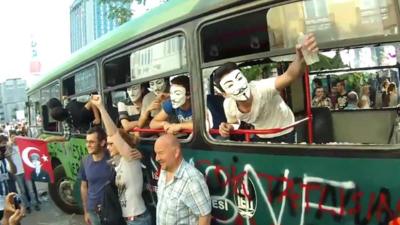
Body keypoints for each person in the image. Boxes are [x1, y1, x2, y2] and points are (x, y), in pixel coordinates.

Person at [213, 33, 318, 143]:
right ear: (225, 94)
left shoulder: (262, 88)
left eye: (239, 78)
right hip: (261, 134)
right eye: (230, 85)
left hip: (285, 129)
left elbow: (289, 75)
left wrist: (300, 57)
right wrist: (227, 127)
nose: (239, 86)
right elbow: (233, 122)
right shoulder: (229, 105)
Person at [91, 95, 152, 225]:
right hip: (128, 220)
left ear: (122, 144)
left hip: (137, 220)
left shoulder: (130, 159)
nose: (108, 147)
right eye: (107, 144)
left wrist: (101, 107)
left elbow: (113, 133)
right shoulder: (118, 163)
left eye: (111, 144)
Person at [154, 134, 211, 225]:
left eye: (160, 153)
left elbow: (205, 217)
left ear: (176, 152)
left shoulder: (192, 180)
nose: (156, 158)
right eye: (156, 153)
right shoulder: (164, 171)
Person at [79, 126, 114, 225]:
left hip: (111, 211)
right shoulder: (85, 160)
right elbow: (84, 186)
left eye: (92, 142)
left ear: (102, 143)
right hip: (92, 211)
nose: (88, 145)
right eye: (87, 142)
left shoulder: (112, 158)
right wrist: (86, 211)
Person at [7, 130, 39, 213]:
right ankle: (27, 206)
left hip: (26, 171)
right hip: (17, 173)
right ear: (10, 138)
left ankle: (35, 204)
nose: (14, 138)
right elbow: (8, 161)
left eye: (15, 136)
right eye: (12, 137)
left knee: (31, 189)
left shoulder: (22, 146)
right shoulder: (9, 149)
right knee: (23, 191)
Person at [0, 135, 17, 219]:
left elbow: (14, 171)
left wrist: (9, 159)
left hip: (9, 200)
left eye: (3, 148)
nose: (2, 150)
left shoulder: (5, 161)